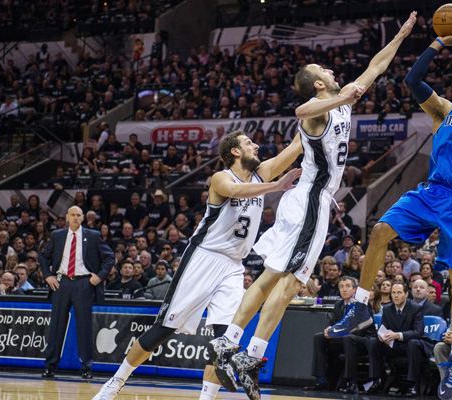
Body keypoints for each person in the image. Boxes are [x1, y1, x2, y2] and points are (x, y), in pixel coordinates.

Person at [209, 12, 419, 400]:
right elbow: (300, 112)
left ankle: (233, 345)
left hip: (306, 200)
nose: (331, 69)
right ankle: (245, 353)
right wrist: (344, 96)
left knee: (273, 277)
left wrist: (403, 36)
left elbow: (377, 64)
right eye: (323, 68)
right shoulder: (320, 110)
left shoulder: (341, 103)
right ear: (319, 83)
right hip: (310, 201)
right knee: (289, 283)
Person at [328, 8, 452, 400]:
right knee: (378, 231)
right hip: (432, 191)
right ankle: (359, 305)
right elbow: (412, 78)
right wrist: (441, 40)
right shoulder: (444, 112)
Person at [92, 130, 303, 400]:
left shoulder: (261, 173)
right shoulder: (222, 177)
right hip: (204, 258)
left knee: (226, 341)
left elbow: (296, 145)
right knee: (163, 330)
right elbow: (235, 191)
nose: (257, 145)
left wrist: (326, 106)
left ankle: (207, 398)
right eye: (249, 143)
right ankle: (115, 381)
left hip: (233, 266)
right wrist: (277, 186)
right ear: (235, 152)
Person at [40, 206, 114, 380]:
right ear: (67, 217)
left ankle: (87, 367)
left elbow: (110, 256)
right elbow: (43, 257)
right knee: (57, 326)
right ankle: (50, 367)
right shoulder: (57, 235)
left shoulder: (93, 235)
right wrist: (48, 276)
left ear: (83, 218)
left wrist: (100, 276)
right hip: (61, 282)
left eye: (78, 215)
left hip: (84, 283)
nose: (75, 218)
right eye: (72, 215)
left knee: (84, 326)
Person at [305, 276, 376, 394]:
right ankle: (321, 379)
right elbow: (332, 324)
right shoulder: (338, 305)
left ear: (354, 290)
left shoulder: (362, 305)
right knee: (319, 337)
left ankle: (351, 382)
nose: (344, 289)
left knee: (349, 338)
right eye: (341, 287)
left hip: (363, 340)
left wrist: (336, 331)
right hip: (345, 339)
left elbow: (358, 330)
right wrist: (328, 331)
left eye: (348, 286)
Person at [365, 282, 431, 396]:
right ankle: (376, 381)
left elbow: (418, 332)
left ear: (406, 294)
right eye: (393, 293)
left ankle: (413, 384)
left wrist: (397, 335)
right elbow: (383, 327)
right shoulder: (387, 308)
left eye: (399, 293)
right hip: (394, 344)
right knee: (373, 342)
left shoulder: (416, 308)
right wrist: (381, 336)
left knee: (413, 343)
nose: (396, 295)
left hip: (411, 344)